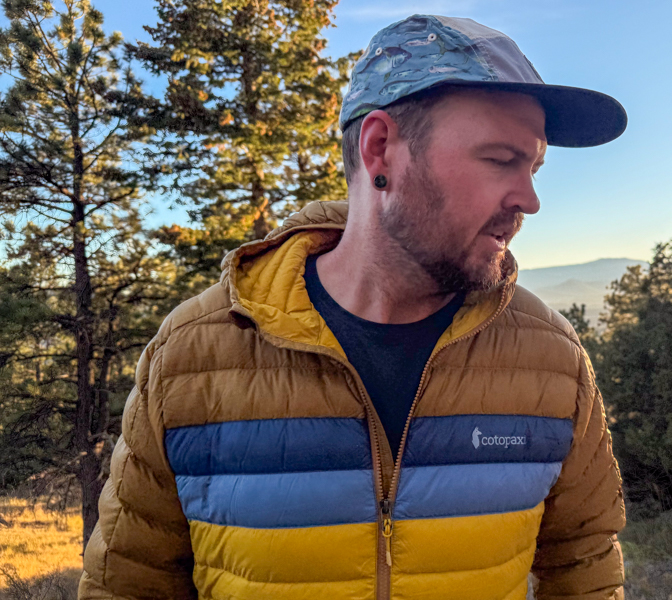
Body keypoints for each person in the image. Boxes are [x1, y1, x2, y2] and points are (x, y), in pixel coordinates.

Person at [78, 14, 627, 600]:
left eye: (534, 167)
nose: (530, 199)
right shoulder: (193, 356)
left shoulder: (550, 359)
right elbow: (129, 584)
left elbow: (585, 568)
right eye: (500, 159)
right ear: (380, 149)